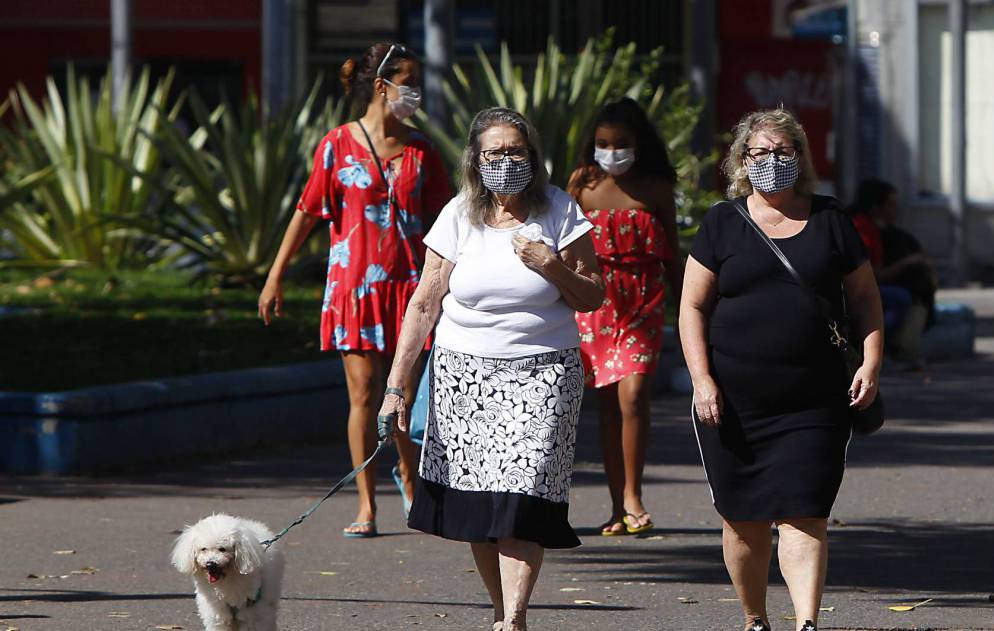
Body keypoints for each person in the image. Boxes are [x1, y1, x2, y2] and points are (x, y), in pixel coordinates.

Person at [378, 107, 604, 631]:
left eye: (516, 151)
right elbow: (424, 302)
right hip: (465, 376)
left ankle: (516, 615)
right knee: (481, 507)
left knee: (522, 497)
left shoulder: (560, 211)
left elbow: (593, 296)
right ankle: (504, 614)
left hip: (543, 374)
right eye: (495, 152)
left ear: (533, 157)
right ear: (476, 161)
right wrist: (397, 388)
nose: (506, 161)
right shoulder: (459, 214)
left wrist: (551, 265)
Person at [678, 108, 884, 631]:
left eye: (783, 152)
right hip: (732, 400)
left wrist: (872, 362)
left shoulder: (831, 219)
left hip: (813, 400)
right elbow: (692, 308)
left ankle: (806, 623)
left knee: (805, 510)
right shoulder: (723, 222)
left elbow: (865, 300)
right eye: (760, 152)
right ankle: (754, 619)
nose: (772, 162)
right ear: (742, 160)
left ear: (800, 158)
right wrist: (702, 380)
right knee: (743, 519)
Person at [257, 42, 452, 538]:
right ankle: (366, 503)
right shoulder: (336, 144)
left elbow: (450, 219)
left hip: (411, 288)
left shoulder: (421, 149)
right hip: (354, 288)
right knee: (363, 394)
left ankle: (410, 475)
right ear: (382, 86)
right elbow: (308, 209)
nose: (416, 92)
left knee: (404, 393)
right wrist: (276, 273)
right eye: (408, 81)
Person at [567, 98, 681, 536]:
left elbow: (672, 252)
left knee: (633, 398)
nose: (611, 152)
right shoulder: (581, 184)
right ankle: (617, 506)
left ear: (639, 144)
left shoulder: (655, 189)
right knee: (607, 406)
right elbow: (565, 249)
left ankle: (634, 496)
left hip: (642, 304)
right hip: (595, 305)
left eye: (621, 144)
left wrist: (692, 308)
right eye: (602, 143)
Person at [849, 178, 937, 366]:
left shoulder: (876, 229)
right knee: (900, 298)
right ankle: (869, 341)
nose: (895, 211)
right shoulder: (864, 230)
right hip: (853, 289)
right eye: (890, 205)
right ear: (876, 208)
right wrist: (908, 262)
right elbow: (876, 276)